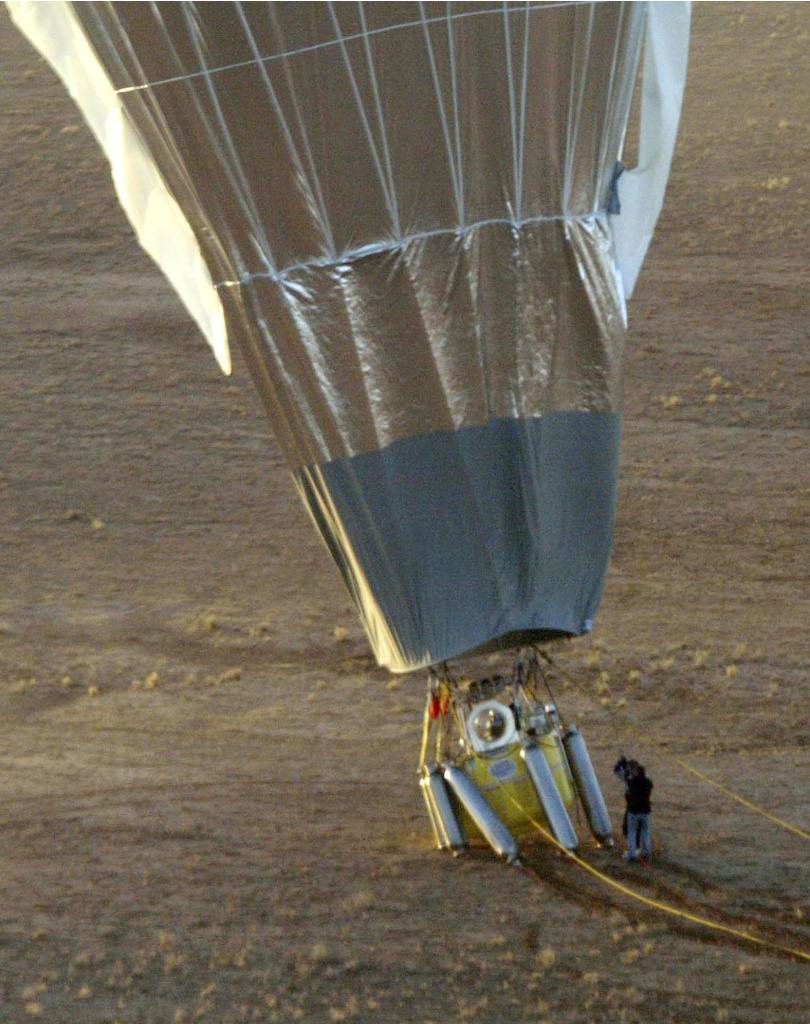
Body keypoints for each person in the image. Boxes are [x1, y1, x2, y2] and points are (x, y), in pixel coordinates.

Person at [614, 756, 653, 863]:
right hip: (646, 811)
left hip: (633, 811)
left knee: (631, 832)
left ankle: (632, 854)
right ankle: (646, 853)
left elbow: (618, 772)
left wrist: (621, 763)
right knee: (645, 832)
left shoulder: (630, 782)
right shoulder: (648, 782)